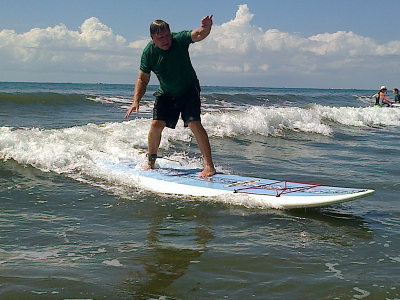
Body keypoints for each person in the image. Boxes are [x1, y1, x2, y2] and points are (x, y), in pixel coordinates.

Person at [124, 15, 216, 177]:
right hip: (166, 93)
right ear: (153, 38)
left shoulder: (179, 39)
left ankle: (209, 166)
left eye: (167, 35)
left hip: (189, 89)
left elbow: (198, 34)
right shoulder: (149, 53)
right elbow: (142, 78)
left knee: (194, 123)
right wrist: (135, 100)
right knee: (156, 125)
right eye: (160, 37)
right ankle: (151, 161)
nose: (166, 40)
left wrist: (206, 27)